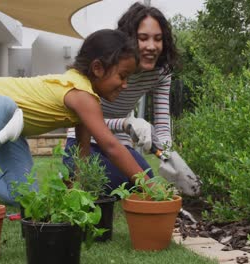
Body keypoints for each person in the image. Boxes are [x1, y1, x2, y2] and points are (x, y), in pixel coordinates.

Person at [0, 29, 147, 206]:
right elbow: (111, 146)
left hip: (10, 129)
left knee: (24, 196)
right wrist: (149, 186)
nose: (125, 85)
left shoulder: (86, 97)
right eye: (122, 76)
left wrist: (76, 192)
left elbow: (83, 154)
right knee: (6, 106)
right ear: (97, 68)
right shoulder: (80, 93)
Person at [63, 2, 178, 192]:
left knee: (144, 178)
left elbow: (163, 125)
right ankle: (69, 176)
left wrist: (168, 156)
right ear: (129, 39)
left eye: (158, 39)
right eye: (143, 38)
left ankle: (76, 177)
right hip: (83, 140)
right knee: (112, 182)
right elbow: (85, 119)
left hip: (120, 144)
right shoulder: (108, 65)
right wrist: (126, 124)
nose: (152, 46)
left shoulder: (161, 73)